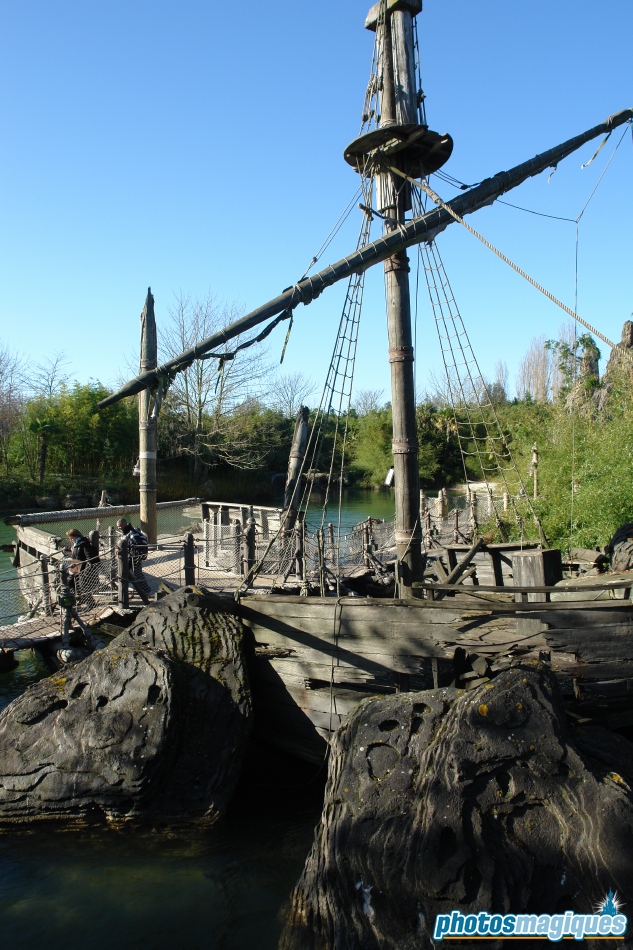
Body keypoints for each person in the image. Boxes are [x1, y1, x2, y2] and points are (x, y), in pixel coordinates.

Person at [116, 518, 151, 597]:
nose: (118, 528)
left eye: (119, 526)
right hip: (128, 557)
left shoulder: (132, 533)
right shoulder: (125, 533)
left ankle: (146, 590)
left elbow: (136, 543)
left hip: (135, 557)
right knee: (124, 574)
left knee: (137, 574)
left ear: (124, 524)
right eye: (117, 527)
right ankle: (123, 592)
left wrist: (133, 551)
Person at [65, 528, 98, 608]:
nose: (71, 540)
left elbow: (89, 556)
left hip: (82, 566)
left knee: (83, 585)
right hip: (75, 565)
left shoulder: (84, 543)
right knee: (70, 582)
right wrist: (66, 548)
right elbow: (73, 549)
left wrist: (89, 567)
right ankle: (78, 598)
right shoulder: (76, 544)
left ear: (75, 536)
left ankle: (90, 602)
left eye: (71, 538)